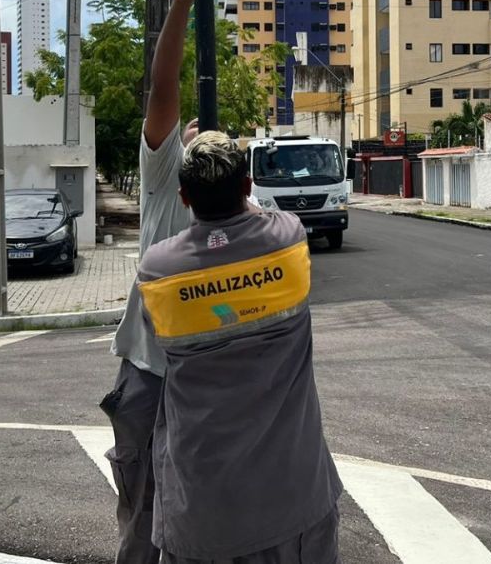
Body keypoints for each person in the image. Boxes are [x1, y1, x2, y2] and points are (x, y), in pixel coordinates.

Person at [136, 132, 341, 564]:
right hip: (293, 499)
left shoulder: (158, 271)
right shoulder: (287, 240)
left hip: (201, 511)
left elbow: (154, 343)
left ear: (184, 197)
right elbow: (256, 216)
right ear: (248, 187)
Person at [102, 0, 198, 564]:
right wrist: (182, 3)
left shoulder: (251, 214)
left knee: (197, 509)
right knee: (141, 508)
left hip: (202, 382)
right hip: (148, 375)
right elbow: (162, 92)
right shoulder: (169, 174)